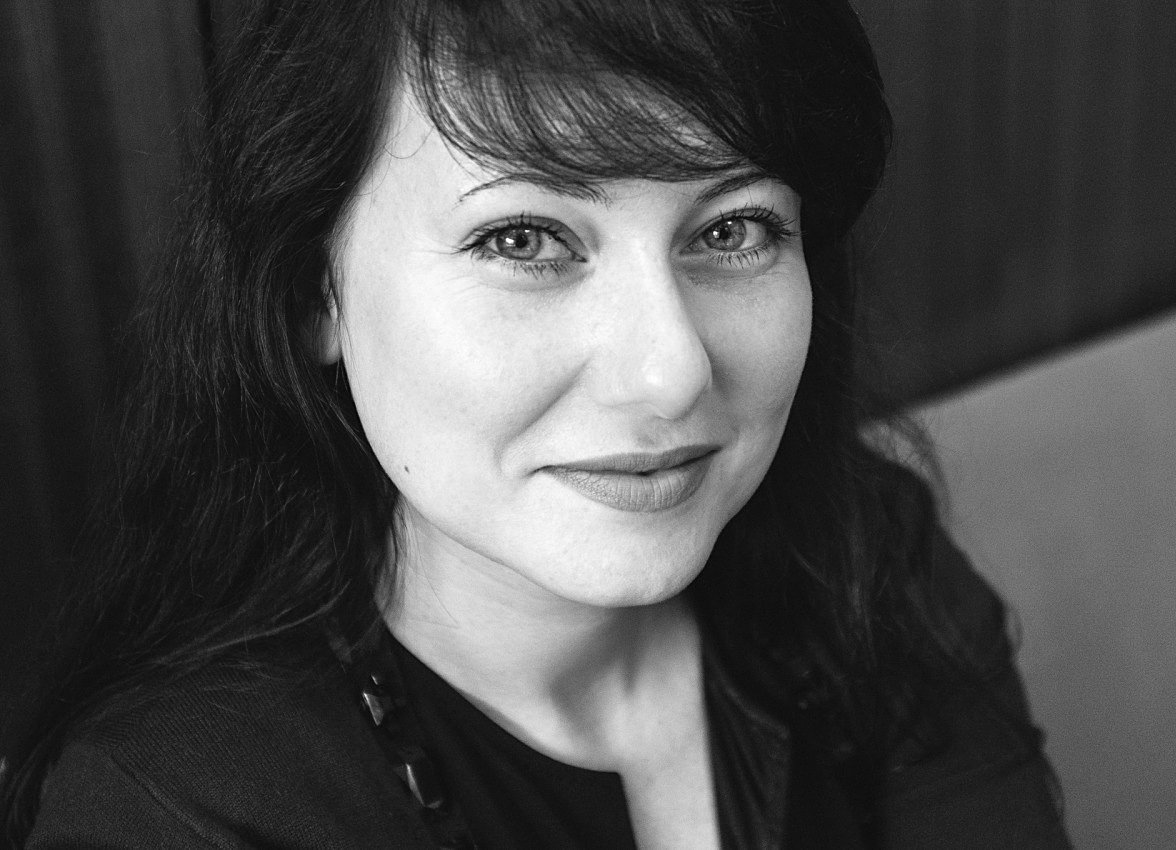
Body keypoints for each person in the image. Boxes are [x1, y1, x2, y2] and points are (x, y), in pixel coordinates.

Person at [1, 0, 1071, 846]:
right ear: (311, 290)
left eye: (733, 228)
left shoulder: (867, 563)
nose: (669, 372)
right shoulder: (184, 813)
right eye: (522, 239)